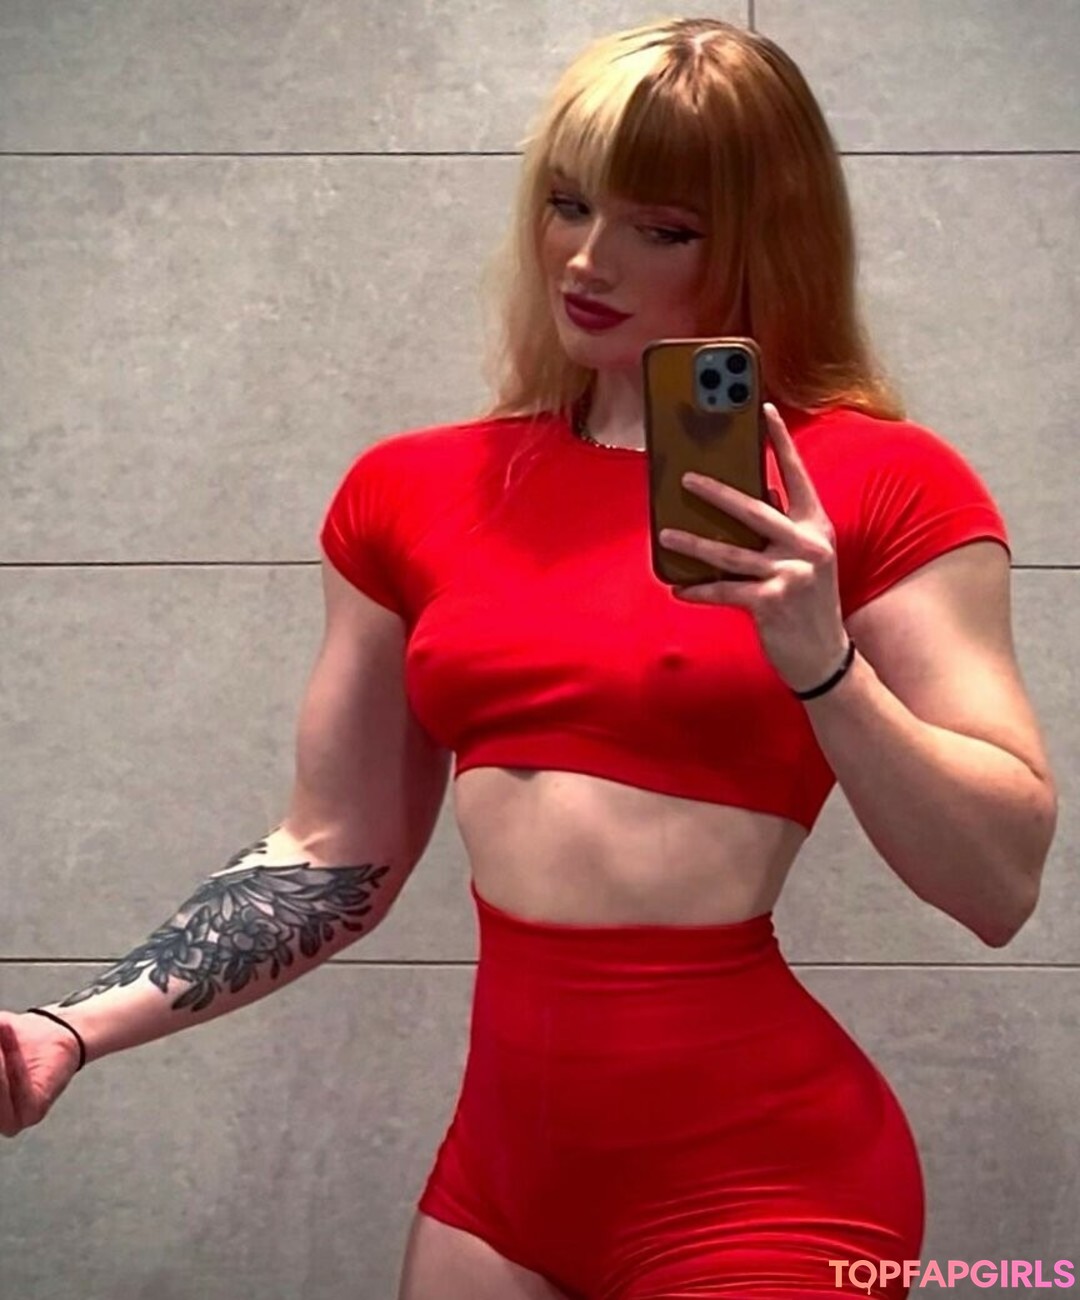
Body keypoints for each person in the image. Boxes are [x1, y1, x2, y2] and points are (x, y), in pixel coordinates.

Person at [0, 15, 1058, 1300]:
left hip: (767, 1183)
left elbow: (998, 882)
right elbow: (332, 849)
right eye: (568, 204)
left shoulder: (878, 485)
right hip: (499, 1194)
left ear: (764, 240)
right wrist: (70, 1029)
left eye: (663, 228)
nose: (590, 259)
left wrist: (822, 662)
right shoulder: (414, 492)